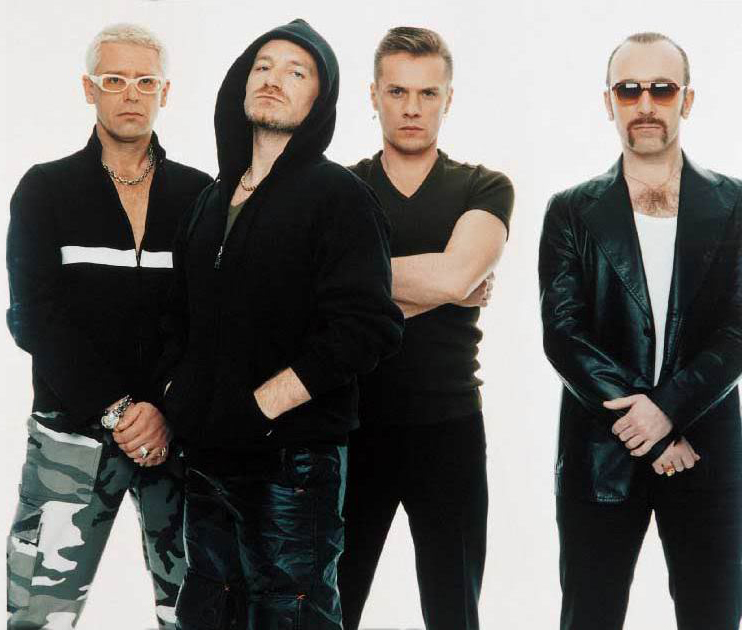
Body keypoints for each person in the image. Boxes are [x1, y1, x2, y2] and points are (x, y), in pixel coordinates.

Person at [159, 18, 404, 630]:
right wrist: (181, 399)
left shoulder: (339, 196)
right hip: (206, 459)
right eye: (263, 66)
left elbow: (366, 326)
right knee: (207, 611)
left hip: (292, 466)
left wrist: (260, 407)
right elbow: (182, 317)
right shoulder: (212, 199)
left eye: (297, 72)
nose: (274, 79)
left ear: (320, 99)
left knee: (290, 615)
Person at [5, 23, 212, 630]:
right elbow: (34, 316)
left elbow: (210, 320)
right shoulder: (46, 189)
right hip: (68, 440)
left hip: (177, 438)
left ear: (165, 93)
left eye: (145, 82)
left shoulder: (199, 195)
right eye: (115, 79)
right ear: (88, 89)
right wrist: (118, 410)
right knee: (38, 615)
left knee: (199, 613)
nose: (130, 94)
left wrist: (164, 408)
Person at [539, 31, 742, 630]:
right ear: (609, 102)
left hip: (705, 455)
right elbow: (564, 335)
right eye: (628, 90)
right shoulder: (570, 210)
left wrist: (668, 410)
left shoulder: (735, 205)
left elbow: (738, 329)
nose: (645, 104)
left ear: (688, 99)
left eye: (662, 88)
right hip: (600, 459)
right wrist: (650, 432)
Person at [337, 27, 514, 630]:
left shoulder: (484, 186)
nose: (412, 107)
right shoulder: (340, 189)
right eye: (398, 91)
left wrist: (357, 288)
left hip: (449, 427)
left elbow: (458, 272)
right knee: (331, 607)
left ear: (448, 99)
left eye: (428, 93)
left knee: (453, 612)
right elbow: (310, 294)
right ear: (374, 95)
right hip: (350, 426)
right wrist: (443, 287)